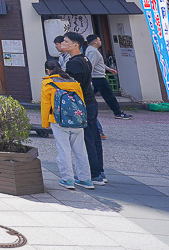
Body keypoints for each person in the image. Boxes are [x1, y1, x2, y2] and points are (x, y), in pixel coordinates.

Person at [41, 59, 94, 190]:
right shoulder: (74, 82)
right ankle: (85, 179)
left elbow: (45, 105)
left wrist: (45, 123)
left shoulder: (48, 83)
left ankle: (68, 179)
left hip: (58, 120)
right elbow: (81, 102)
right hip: (77, 120)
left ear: (48, 71)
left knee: (63, 150)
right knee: (80, 150)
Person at [62, 31, 106, 185]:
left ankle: (93, 174)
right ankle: (99, 171)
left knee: (87, 139)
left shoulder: (74, 62)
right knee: (94, 137)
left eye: (66, 42)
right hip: (90, 101)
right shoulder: (85, 59)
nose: (63, 44)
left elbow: (74, 86)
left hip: (82, 103)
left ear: (76, 45)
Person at [86, 34, 132, 120]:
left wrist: (108, 69)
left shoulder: (91, 50)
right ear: (95, 41)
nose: (100, 41)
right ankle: (118, 113)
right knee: (109, 95)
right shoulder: (93, 51)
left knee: (90, 95)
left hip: (96, 77)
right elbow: (91, 65)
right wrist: (89, 78)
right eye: (99, 40)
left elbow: (97, 63)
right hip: (98, 78)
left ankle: (85, 110)